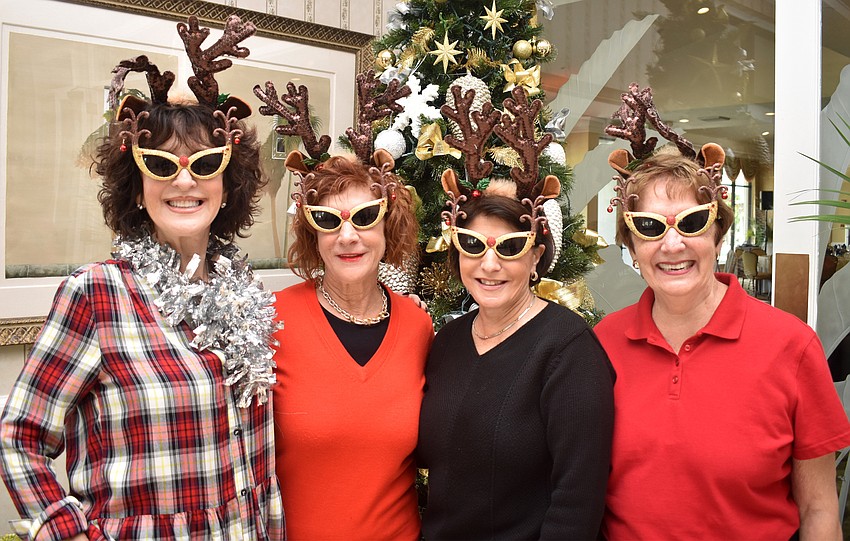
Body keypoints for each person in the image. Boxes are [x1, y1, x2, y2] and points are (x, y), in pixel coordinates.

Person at [0, 15, 284, 540]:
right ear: (135, 186)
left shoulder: (247, 300)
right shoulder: (96, 294)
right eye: (161, 164)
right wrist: (61, 530)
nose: (184, 180)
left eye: (205, 164)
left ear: (226, 185)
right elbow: (18, 435)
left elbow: (257, 469)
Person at [595, 83, 850, 540]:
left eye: (691, 223)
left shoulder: (790, 347)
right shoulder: (601, 346)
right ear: (630, 244)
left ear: (718, 234)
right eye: (650, 228)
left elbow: (819, 510)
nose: (672, 244)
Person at [417, 86, 616, 540]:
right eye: (473, 246)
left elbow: (577, 500)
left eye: (509, 248)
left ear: (536, 257)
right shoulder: (446, 342)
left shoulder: (568, 349)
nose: (489, 265)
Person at [268, 149, 433, 540]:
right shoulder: (271, 320)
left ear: (387, 225)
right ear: (312, 232)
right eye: (327, 221)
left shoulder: (417, 326)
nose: (347, 236)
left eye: (364, 218)